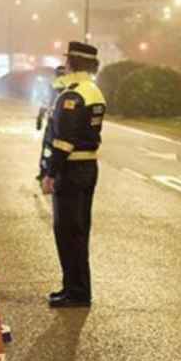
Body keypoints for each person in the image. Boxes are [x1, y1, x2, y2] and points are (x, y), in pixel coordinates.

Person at [41, 42, 105, 308]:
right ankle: (76, 288)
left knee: (66, 231)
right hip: (88, 167)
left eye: (67, 60)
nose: (64, 64)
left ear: (72, 63)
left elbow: (64, 142)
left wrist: (50, 173)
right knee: (79, 231)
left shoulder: (72, 96)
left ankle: (76, 292)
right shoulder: (94, 91)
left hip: (72, 170)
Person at [37, 65, 69, 182]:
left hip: (52, 122)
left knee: (47, 147)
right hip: (63, 123)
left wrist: (39, 118)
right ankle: (53, 171)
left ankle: (44, 171)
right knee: (60, 148)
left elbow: (45, 102)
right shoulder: (70, 86)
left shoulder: (52, 85)